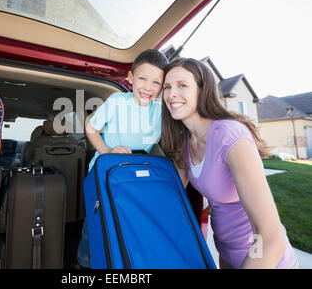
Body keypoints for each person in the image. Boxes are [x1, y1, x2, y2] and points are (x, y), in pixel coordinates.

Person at [160, 57, 298, 269]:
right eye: (167, 87)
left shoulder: (230, 136)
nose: (171, 94)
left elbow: (270, 240)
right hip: (227, 256)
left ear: (202, 90)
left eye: (182, 85)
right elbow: (170, 195)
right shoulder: (186, 141)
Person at [77, 49, 169, 268]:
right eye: (143, 79)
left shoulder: (161, 111)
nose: (148, 87)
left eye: (156, 82)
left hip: (134, 176)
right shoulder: (118, 101)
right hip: (105, 173)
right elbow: (91, 128)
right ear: (131, 77)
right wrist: (107, 153)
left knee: (126, 224)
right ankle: (85, 263)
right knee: (98, 222)